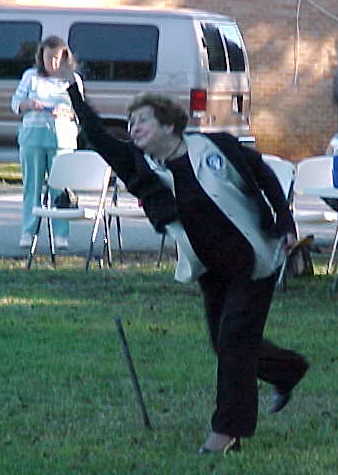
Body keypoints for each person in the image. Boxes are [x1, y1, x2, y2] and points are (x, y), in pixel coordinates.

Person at [61, 62, 309, 454]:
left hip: (254, 258)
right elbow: (97, 136)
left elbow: (263, 174)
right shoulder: (140, 166)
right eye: (130, 124)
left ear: (167, 125)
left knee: (234, 341)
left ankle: (227, 432)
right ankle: (288, 369)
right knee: (226, 343)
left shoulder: (215, 145)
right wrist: (74, 91)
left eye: (142, 121)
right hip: (210, 269)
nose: (133, 129)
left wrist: (285, 220)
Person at [11, 35, 84, 249]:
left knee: (60, 188)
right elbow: (15, 104)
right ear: (40, 57)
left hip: (62, 140)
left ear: (64, 59)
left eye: (55, 58)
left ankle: (61, 235)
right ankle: (28, 231)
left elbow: (82, 112)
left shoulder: (72, 80)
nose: (51, 63)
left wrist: (67, 111)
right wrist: (29, 104)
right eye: (47, 58)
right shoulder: (31, 77)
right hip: (33, 138)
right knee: (31, 186)